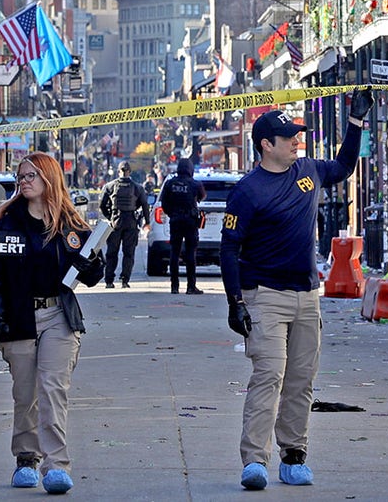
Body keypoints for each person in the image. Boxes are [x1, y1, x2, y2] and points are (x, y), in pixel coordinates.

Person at [220, 91, 371, 491]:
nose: (296, 141)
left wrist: (355, 122)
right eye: (288, 137)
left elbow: (344, 166)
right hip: (265, 295)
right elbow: (229, 248)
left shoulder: (308, 170)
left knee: (301, 380)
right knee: (269, 375)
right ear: (266, 145)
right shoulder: (247, 191)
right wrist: (236, 302)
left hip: (307, 295)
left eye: (296, 135)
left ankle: (293, 456)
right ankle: (255, 460)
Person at [0, 152, 105, 495]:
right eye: (21, 176)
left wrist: (92, 263)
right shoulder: (8, 222)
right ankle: (26, 459)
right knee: (26, 394)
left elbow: (93, 274)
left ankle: (57, 465)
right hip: (18, 317)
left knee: (52, 389)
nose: (24, 182)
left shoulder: (70, 224)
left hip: (58, 316)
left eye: (31, 175)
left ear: (49, 178)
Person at [99, 160, 150, 288]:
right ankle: (125, 280)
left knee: (111, 253)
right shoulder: (137, 187)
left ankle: (109, 281)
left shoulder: (110, 186)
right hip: (131, 222)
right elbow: (145, 205)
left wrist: (110, 217)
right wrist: (147, 222)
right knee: (128, 253)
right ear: (130, 172)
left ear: (118, 171)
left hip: (115, 222)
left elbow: (102, 205)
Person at [160, 159, 206, 294]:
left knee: (174, 253)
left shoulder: (170, 183)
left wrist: (172, 214)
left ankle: (174, 286)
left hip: (175, 220)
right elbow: (202, 196)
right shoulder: (195, 184)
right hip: (190, 221)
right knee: (190, 253)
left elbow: (164, 203)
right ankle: (191, 286)